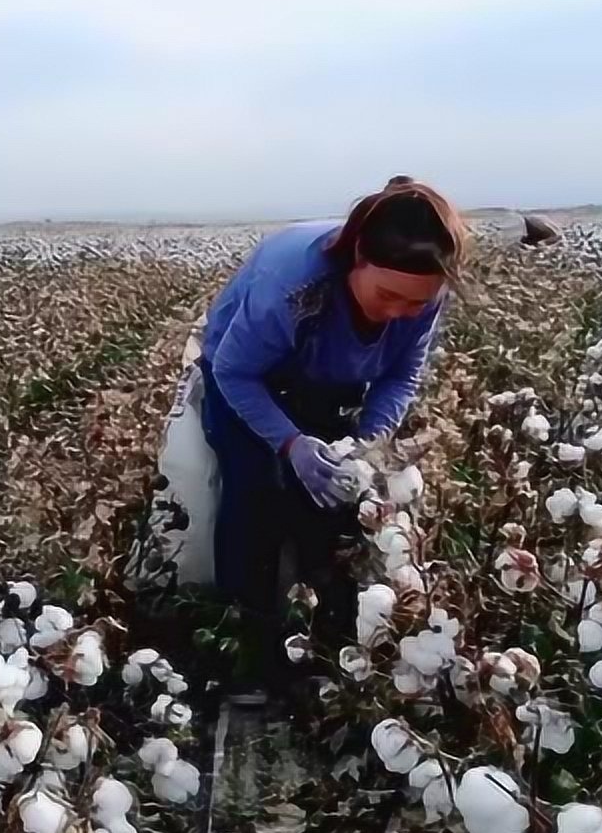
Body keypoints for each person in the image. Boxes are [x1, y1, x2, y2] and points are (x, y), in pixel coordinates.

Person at [199, 178, 467, 685]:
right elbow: (235, 373)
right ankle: (247, 642)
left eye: (415, 305)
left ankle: (327, 644)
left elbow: (399, 374)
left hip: (324, 377)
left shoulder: (424, 290)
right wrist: (292, 442)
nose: (398, 313)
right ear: (356, 259)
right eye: (387, 295)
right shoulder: (293, 286)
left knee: (334, 504)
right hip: (245, 374)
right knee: (252, 493)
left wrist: (368, 444)